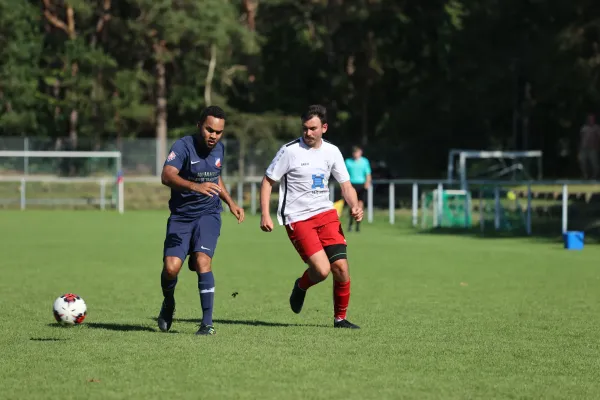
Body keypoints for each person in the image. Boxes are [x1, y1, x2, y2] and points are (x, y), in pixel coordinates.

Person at [259, 104, 363, 329]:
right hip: (297, 218)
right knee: (322, 271)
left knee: (341, 268)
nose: (308, 133)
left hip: (325, 214)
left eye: (313, 128)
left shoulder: (332, 152)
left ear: (324, 128)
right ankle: (301, 286)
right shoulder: (289, 151)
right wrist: (265, 214)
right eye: (305, 128)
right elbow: (268, 181)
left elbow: (345, 185)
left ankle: (340, 319)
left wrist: (354, 205)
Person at [158, 105, 245, 336]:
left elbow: (216, 178)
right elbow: (166, 175)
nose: (213, 136)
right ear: (199, 126)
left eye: (218, 132)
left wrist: (231, 202)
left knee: (203, 262)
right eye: (209, 130)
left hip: (209, 214)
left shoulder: (219, 150)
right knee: (171, 268)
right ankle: (168, 302)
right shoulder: (183, 146)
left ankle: (207, 324)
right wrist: (196, 186)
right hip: (181, 217)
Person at [344, 145, 371, 232]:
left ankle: (358, 225)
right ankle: (350, 224)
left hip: (361, 185)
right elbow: (344, 175)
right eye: (355, 152)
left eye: (357, 152)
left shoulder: (364, 161)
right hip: (351, 185)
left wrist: (367, 183)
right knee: (352, 205)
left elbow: (368, 174)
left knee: (360, 205)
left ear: (360, 153)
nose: (356, 154)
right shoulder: (348, 162)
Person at [578, 113, 600, 180]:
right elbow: (580, 138)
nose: (591, 120)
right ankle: (585, 175)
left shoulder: (597, 128)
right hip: (584, 148)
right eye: (589, 119)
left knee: (594, 163)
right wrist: (579, 148)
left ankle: (595, 176)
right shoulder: (584, 128)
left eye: (592, 119)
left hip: (593, 148)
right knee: (582, 162)